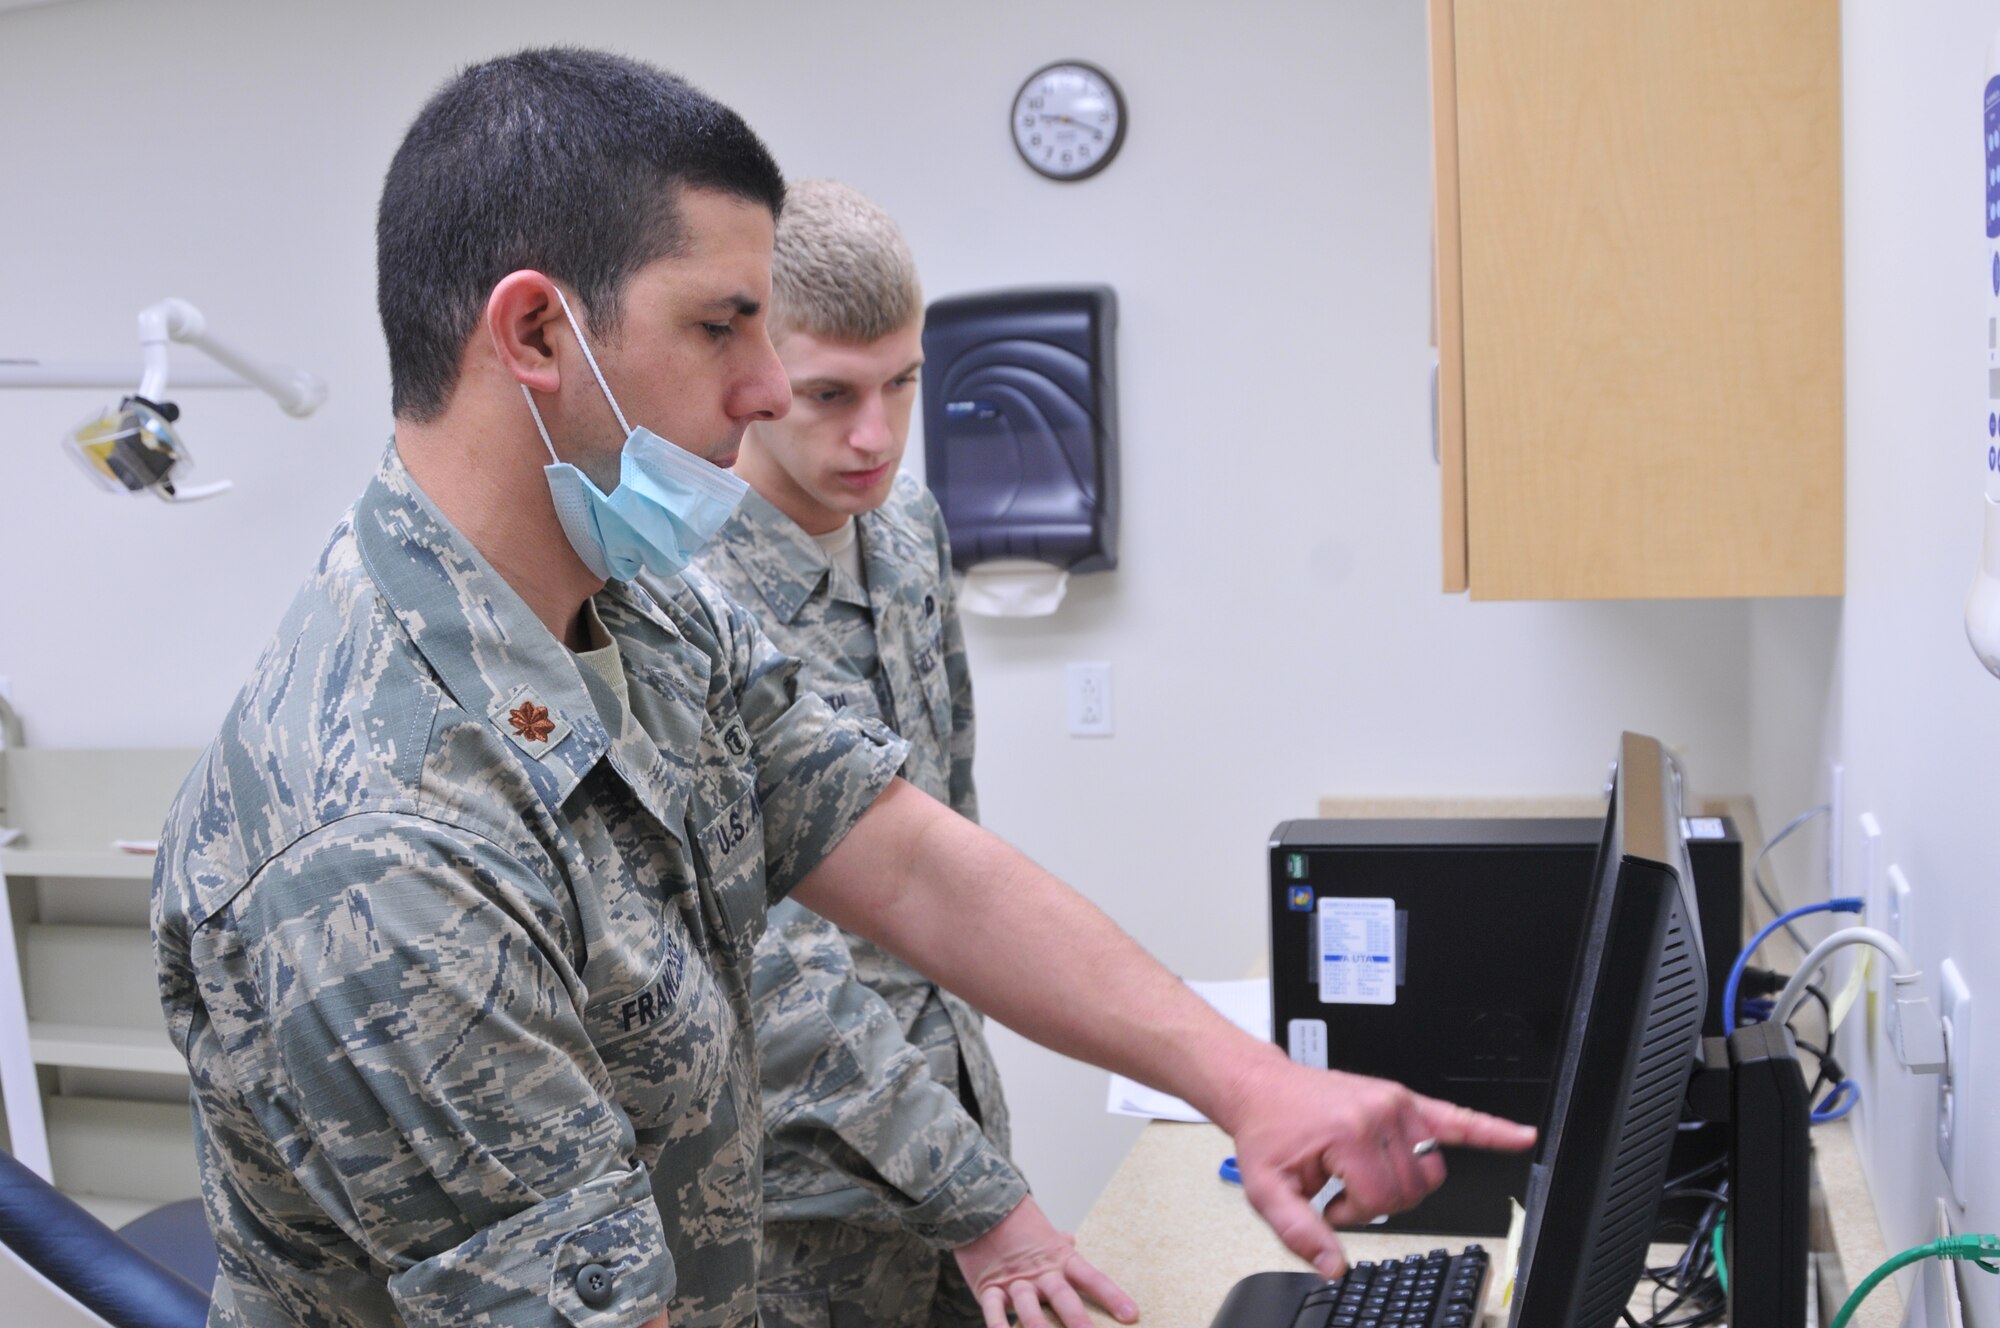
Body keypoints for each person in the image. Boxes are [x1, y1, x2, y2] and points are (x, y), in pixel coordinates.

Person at [150, 47, 1534, 1328]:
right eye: (720, 329)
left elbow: (916, 864)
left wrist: (1254, 1086)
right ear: (534, 335)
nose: (765, 394)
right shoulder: (380, 845)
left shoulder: (636, 607)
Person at [686, 179, 1083, 1328]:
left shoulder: (907, 530)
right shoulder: (681, 596)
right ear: (755, 376)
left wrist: (972, 1167)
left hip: (956, 1134)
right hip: (794, 1208)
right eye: (827, 394)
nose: (872, 434)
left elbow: (948, 842)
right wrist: (976, 1196)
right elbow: (765, 968)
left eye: (901, 383)